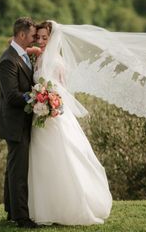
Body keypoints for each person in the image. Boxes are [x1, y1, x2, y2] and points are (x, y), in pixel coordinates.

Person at [28, 21, 112, 225]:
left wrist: (51, 104)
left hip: (55, 117)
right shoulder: (37, 58)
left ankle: (72, 206)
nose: (40, 41)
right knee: (41, 162)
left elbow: (63, 91)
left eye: (44, 37)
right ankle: (43, 209)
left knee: (63, 157)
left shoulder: (57, 62)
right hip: (39, 118)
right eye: (37, 37)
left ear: (53, 38)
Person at [0, 17, 38, 229]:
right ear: (22, 35)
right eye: (32, 36)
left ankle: (11, 211)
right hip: (14, 123)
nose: (34, 40)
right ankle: (22, 218)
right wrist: (38, 98)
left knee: (13, 168)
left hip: (21, 122)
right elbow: (12, 96)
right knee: (18, 170)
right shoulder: (8, 61)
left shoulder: (20, 55)